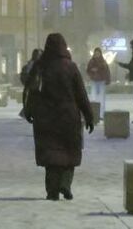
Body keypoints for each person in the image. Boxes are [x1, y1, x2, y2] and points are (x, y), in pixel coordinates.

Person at [22, 33, 94, 201]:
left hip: (45, 117)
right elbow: (81, 94)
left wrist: (29, 110)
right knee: (70, 152)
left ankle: (52, 191)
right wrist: (89, 115)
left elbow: (32, 91)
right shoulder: (70, 67)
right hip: (68, 115)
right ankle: (65, 184)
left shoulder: (40, 66)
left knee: (51, 154)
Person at [84, 47, 111, 114]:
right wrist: (91, 72)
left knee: (102, 98)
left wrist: (107, 79)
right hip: (94, 80)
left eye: (98, 53)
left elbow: (107, 71)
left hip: (102, 80)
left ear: (100, 53)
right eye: (96, 53)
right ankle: (94, 113)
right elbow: (88, 70)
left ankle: (101, 114)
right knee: (94, 97)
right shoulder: (92, 61)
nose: (97, 54)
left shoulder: (103, 61)